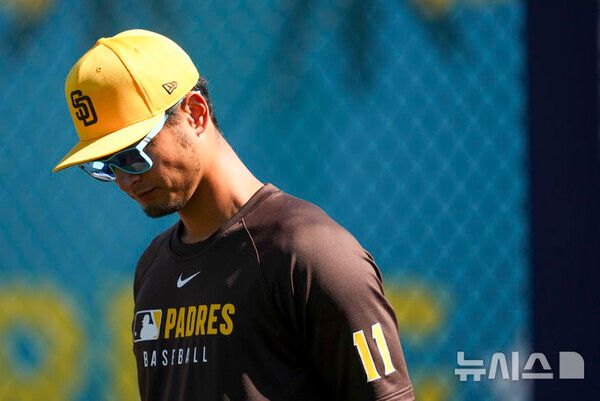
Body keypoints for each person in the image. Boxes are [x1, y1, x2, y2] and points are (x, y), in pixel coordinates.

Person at [53, 29, 415, 401]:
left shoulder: (311, 253)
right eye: (106, 165)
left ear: (195, 113)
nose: (125, 180)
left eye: (132, 154)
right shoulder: (152, 267)